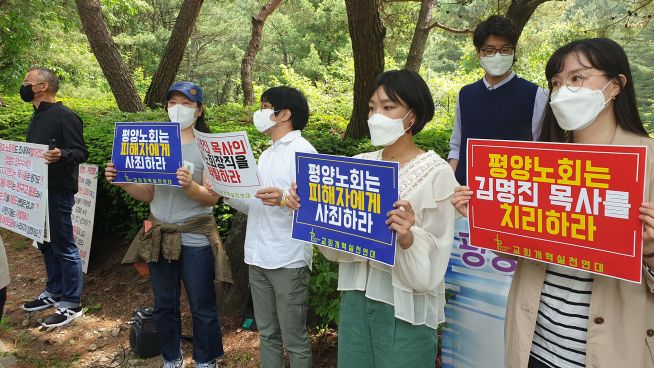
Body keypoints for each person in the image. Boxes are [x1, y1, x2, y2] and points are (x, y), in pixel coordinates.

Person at [452, 38, 654, 368]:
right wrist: (486, 221)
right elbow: (519, 251)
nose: (563, 91)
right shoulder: (538, 164)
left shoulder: (647, 163)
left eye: (577, 78)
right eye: (556, 83)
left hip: (612, 352)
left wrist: (649, 250)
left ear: (616, 85)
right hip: (534, 346)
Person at [288, 69, 458, 367]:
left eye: (388, 107)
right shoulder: (358, 166)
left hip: (403, 306)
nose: (376, 115)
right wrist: (307, 207)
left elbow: (436, 254)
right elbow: (335, 245)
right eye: (371, 107)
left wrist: (408, 237)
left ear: (413, 116)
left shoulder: (437, 172)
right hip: (356, 297)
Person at [106, 82, 229, 368]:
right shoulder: (154, 142)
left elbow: (211, 198)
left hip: (196, 236)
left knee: (202, 303)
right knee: (164, 303)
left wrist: (189, 186)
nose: (178, 108)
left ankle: (206, 359)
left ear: (199, 111)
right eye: (173, 102)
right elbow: (149, 193)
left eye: (186, 103)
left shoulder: (209, 146)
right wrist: (123, 181)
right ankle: (171, 357)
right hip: (159, 233)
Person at [220, 86, 316, 368]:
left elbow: (318, 212)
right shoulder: (266, 154)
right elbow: (256, 204)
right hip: (258, 256)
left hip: (288, 258)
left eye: (265, 106)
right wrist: (225, 192)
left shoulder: (303, 151)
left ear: (284, 113)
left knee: (294, 337)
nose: (259, 113)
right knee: (268, 333)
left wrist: (286, 199)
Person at [21, 68, 88, 328]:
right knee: (45, 244)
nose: (24, 86)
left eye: (28, 82)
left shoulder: (65, 116)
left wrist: (62, 155)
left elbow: (81, 152)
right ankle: (53, 291)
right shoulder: (37, 116)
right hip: (37, 191)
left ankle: (71, 302)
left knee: (63, 244)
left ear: (43, 86)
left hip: (58, 191)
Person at [448, 15, 548, 184]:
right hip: (466, 193)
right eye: (490, 50)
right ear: (479, 53)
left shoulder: (536, 94)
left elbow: (541, 152)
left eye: (505, 49)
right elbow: (457, 146)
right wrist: (451, 182)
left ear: (513, 51)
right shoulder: (466, 94)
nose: (498, 55)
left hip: (512, 194)